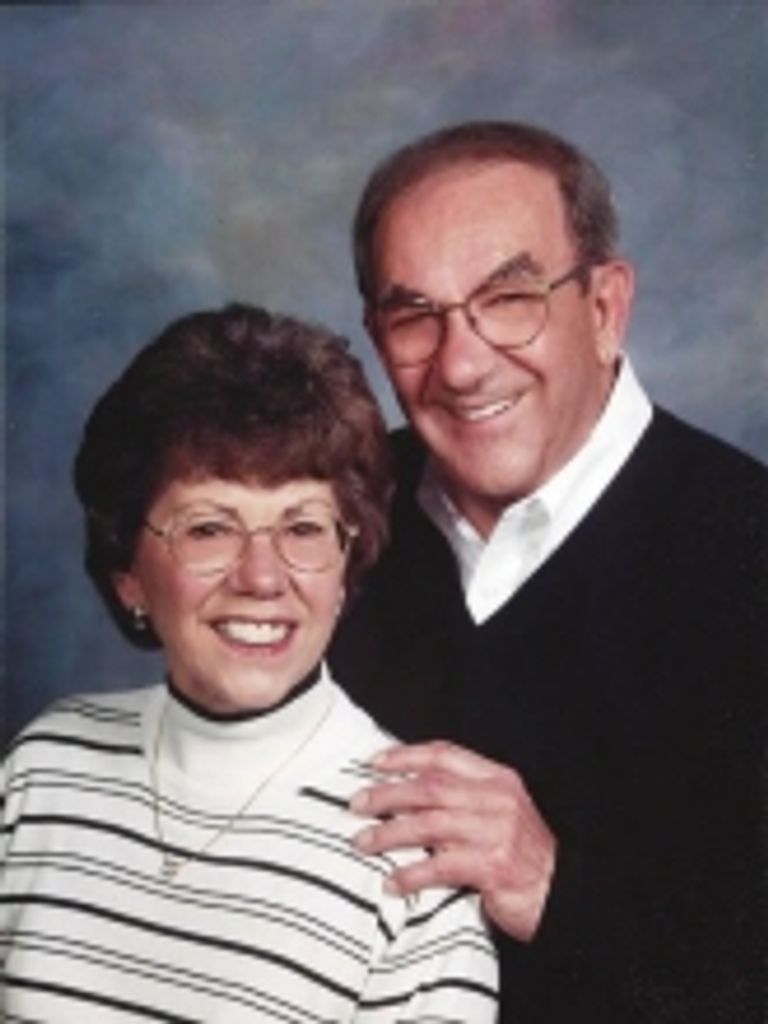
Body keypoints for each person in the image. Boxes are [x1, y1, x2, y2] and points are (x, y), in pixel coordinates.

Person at [329, 121, 767, 1023]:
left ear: (605, 308)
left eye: (509, 299)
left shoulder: (748, 548)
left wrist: (554, 888)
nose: (461, 364)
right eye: (415, 318)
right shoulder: (328, 520)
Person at [0, 304, 498, 1022]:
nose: (262, 577)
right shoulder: (41, 771)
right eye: (209, 528)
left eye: (303, 527)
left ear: (347, 563)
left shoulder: (413, 857)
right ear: (128, 573)